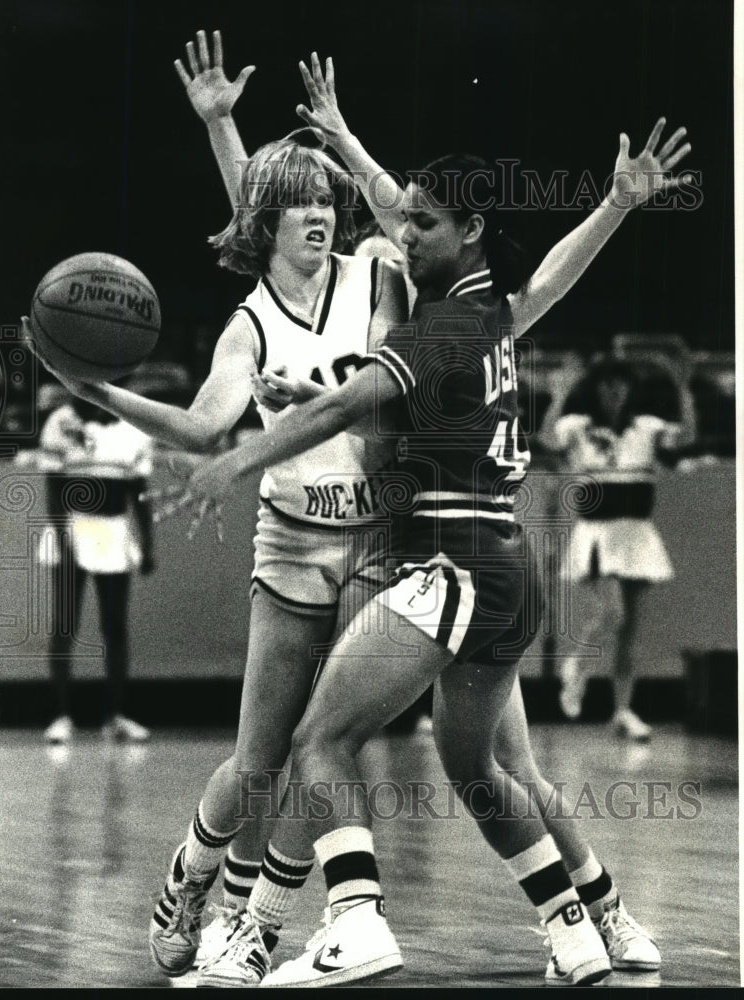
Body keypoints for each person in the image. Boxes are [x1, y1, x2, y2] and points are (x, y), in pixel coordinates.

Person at [156, 52, 691, 987]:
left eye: (418, 220)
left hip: (437, 558)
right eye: (396, 216)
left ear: (459, 231)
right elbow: (301, 226)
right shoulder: (464, 301)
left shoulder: (432, 313)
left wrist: (237, 455)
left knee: (330, 743)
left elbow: (337, 364)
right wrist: (337, 135)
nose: (395, 224)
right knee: (484, 770)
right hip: (479, 558)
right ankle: (582, 928)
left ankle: (346, 923)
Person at [22, 28, 410, 984]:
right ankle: (194, 875)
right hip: (289, 543)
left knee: (334, 741)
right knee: (258, 764)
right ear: (269, 226)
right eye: (304, 206)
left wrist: (341, 140)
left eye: (328, 202)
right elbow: (202, 432)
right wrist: (93, 387)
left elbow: (412, 219)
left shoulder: (373, 274)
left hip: (374, 538)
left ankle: (264, 920)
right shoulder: (250, 325)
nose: (321, 215)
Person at [549, 354, 696, 740]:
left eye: (622, 386)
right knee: (612, 613)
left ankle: (622, 710)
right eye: (607, 386)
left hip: (637, 534)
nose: (615, 393)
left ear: (631, 391)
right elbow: (550, 440)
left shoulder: (646, 429)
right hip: (598, 533)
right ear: (596, 389)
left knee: (630, 629)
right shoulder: (577, 427)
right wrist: (559, 392)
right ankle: (577, 664)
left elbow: (687, 438)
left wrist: (683, 386)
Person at [37, 395, 154, 743]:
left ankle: (115, 717)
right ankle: (61, 716)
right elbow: (54, 487)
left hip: (114, 530)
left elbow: (139, 491)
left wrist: (148, 544)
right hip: (72, 528)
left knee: (115, 625)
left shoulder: (134, 427)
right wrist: (63, 538)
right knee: (65, 623)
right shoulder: (61, 421)